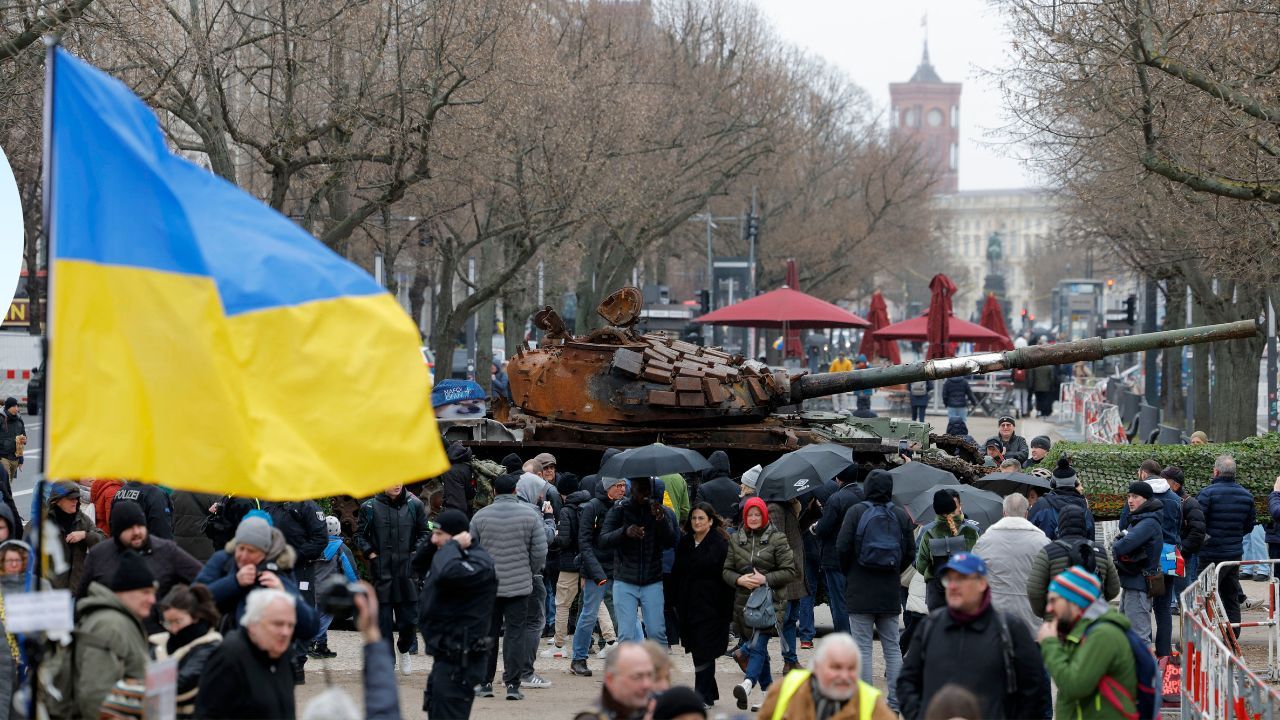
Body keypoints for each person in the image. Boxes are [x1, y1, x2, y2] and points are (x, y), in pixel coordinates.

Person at [896, 552, 1044, 720]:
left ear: (982, 583)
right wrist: (920, 716)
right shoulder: (930, 626)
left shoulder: (1010, 630)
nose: (952, 586)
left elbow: (1034, 691)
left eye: (960, 579)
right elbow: (906, 681)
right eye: (949, 580)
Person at [834, 469, 914, 712]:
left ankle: (866, 705)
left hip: (860, 587)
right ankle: (895, 705)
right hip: (889, 589)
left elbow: (842, 547)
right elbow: (910, 552)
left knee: (863, 647)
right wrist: (893, 571)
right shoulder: (900, 515)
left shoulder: (856, 512)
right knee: (892, 647)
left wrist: (852, 571)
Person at [413, 508, 498, 719]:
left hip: (461, 660)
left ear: (458, 537)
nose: (434, 539)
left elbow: (447, 574)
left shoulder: (479, 562)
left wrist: (451, 545)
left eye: (439, 534)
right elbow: (415, 565)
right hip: (445, 656)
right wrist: (438, 543)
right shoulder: (449, 554)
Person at [470, 472, 546, 701]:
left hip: (488, 587)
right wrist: (529, 570)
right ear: (515, 491)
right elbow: (540, 551)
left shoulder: (480, 516)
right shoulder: (530, 515)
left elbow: (471, 551)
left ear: (494, 492)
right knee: (515, 634)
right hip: (519, 586)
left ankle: (485, 683)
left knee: (488, 634)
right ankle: (512, 685)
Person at [76, 501, 203, 632]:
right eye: (129, 528)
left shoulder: (165, 550)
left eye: (140, 526)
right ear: (117, 531)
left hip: (156, 637)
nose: (136, 532)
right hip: (111, 636)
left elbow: (203, 579)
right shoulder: (99, 555)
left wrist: (188, 616)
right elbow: (82, 598)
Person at [193, 514, 319, 640]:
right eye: (241, 548)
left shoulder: (279, 566)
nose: (243, 556)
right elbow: (193, 599)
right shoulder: (223, 560)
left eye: (251, 551)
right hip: (220, 643)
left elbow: (309, 626)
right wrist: (234, 582)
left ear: (265, 552)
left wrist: (284, 591)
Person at [1036, 566, 1139, 719]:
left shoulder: (1103, 634)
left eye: (1054, 600)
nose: (1049, 608)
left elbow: (1073, 685)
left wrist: (1050, 643)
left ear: (1074, 601)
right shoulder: (1085, 630)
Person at [724, 497, 797, 711]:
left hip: (770, 604)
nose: (753, 518)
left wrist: (765, 579)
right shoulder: (736, 539)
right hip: (744, 605)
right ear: (745, 517)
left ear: (764, 515)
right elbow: (726, 570)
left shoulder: (778, 538)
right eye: (750, 514)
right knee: (760, 651)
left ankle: (747, 684)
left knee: (757, 644)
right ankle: (770, 698)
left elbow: (790, 571)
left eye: (757, 514)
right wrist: (739, 579)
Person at [70, 550, 157, 719]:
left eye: (153, 593)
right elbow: (95, 697)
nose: (152, 600)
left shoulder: (122, 621)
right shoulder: (110, 626)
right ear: (124, 591)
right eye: (145, 592)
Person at [356, 483, 428, 674]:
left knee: (409, 621)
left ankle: (403, 648)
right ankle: (388, 661)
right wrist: (370, 553)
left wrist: (415, 553)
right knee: (383, 622)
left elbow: (424, 533)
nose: (396, 484)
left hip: (408, 572)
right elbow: (360, 536)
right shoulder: (369, 507)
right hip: (382, 572)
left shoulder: (415, 504)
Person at [195, 588, 299, 719]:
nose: (285, 632)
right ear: (253, 624)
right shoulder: (229, 656)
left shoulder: (283, 651)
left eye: (290, 625)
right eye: (278, 624)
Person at [599, 476, 677, 646]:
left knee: (657, 632)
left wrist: (660, 519)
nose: (643, 495)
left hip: (652, 578)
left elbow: (671, 541)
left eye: (646, 491)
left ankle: (659, 672)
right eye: (639, 490)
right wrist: (625, 532)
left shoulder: (659, 511)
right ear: (631, 490)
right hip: (625, 578)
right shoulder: (619, 509)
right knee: (626, 634)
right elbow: (603, 539)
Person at [671, 502, 734, 707]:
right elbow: (677, 571)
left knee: (704, 650)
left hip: (713, 607)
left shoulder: (720, 544)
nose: (697, 522)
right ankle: (710, 691)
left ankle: (702, 696)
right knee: (698, 650)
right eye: (694, 518)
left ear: (710, 521)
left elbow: (726, 577)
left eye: (701, 518)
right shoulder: (686, 541)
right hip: (689, 606)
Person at [756, 632, 897, 720]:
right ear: (816, 668)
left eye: (851, 668)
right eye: (836, 667)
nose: (844, 676)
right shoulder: (784, 690)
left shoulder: (872, 704)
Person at [572, 471, 627, 677]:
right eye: (619, 485)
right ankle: (578, 658)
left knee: (625, 616)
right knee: (589, 614)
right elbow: (584, 543)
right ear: (608, 487)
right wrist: (597, 573)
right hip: (598, 571)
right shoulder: (592, 507)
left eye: (624, 485)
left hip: (618, 569)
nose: (623, 488)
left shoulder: (623, 507)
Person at [972, 494, 1049, 633]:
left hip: (994, 616)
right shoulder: (1043, 542)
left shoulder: (984, 541)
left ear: (1004, 513)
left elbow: (972, 577)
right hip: (1032, 617)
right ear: (1026, 513)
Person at [1026, 504, 1120, 619]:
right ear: (1084, 523)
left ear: (1060, 524)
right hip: (1093, 623)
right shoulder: (1101, 551)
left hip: (1058, 623)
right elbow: (1114, 589)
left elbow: (1034, 591)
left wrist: (1046, 613)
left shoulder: (1048, 552)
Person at [1196, 454, 1256, 631]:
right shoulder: (1246, 496)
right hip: (1233, 554)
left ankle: (1205, 634)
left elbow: (1199, 524)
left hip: (1210, 555)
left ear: (1215, 471)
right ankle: (1233, 634)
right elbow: (1249, 526)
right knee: (1230, 596)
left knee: (1204, 595)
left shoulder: (1207, 494)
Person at [151, 584, 222, 719]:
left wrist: (145, 683)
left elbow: (184, 681)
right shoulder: (159, 642)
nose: (173, 629)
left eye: (178, 621)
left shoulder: (211, 645)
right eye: (168, 623)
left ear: (196, 617)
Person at [811, 464, 865, 634]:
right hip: (859, 557)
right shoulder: (865, 496)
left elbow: (824, 528)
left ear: (838, 478)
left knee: (838, 601)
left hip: (835, 557)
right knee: (855, 600)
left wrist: (815, 527)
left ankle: (844, 637)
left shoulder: (837, 498)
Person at [1110, 482, 1164, 648]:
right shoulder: (1140, 520)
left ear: (1146, 499)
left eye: (1135, 497)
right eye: (1128, 496)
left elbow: (1120, 546)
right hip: (1132, 583)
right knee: (1126, 633)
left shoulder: (1148, 523)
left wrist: (1118, 542)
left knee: (1139, 637)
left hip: (1140, 583)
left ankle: (1148, 673)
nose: (1130, 501)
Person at [28, 480, 103, 591]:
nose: (75, 502)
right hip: (50, 592)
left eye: (77, 498)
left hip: (77, 589)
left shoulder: (83, 520)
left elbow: (103, 541)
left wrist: (85, 535)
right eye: (70, 498)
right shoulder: (40, 524)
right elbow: (27, 554)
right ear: (56, 501)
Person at [914, 489, 979, 610]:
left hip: (936, 590)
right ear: (956, 506)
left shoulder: (928, 532)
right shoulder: (972, 531)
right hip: (965, 589)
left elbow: (921, 566)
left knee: (938, 627)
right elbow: (979, 561)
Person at [767, 495, 809, 674]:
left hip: (794, 573)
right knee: (783, 619)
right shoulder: (776, 508)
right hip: (787, 574)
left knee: (790, 619)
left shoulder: (788, 506)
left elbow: (794, 531)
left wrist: (807, 513)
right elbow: (779, 542)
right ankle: (745, 652)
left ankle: (791, 660)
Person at [309, 515, 358, 659]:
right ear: (339, 530)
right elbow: (350, 570)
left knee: (316, 616)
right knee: (325, 618)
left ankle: (321, 647)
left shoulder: (315, 545)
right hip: (331, 590)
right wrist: (356, 587)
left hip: (313, 588)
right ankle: (311, 642)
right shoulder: (341, 548)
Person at [572, 641, 654, 720]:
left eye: (650, 675)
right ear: (610, 679)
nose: (646, 684)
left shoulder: (655, 707)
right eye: (637, 677)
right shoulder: (593, 718)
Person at [1164, 467, 1205, 611]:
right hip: (1169, 553)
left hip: (1182, 556)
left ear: (1175, 484)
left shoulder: (1190, 503)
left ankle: (1189, 624)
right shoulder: (1167, 500)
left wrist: (1182, 549)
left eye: (1165, 481)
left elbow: (1198, 532)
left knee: (1184, 593)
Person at [1028, 457, 1095, 540]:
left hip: (1047, 551)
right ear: (1075, 482)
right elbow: (1091, 540)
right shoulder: (1085, 509)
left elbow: (1028, 532)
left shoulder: (1041, 504)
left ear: (1053, 483)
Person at [695, 451, 738, 522]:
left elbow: (698, 515)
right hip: (733, 531)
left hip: (710, 530)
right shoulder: (738, 488)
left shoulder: (703, 489)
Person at [0, 399, 24, 483]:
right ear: (8, 408)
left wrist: (21, 459)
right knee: (5, 484)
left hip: (15, 459)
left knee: (8, 485)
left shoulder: (19, 420)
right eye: (14, 406)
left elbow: (21, 440)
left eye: (17, 406)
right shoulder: (1, 419)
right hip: (2, 457)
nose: (16, 408)